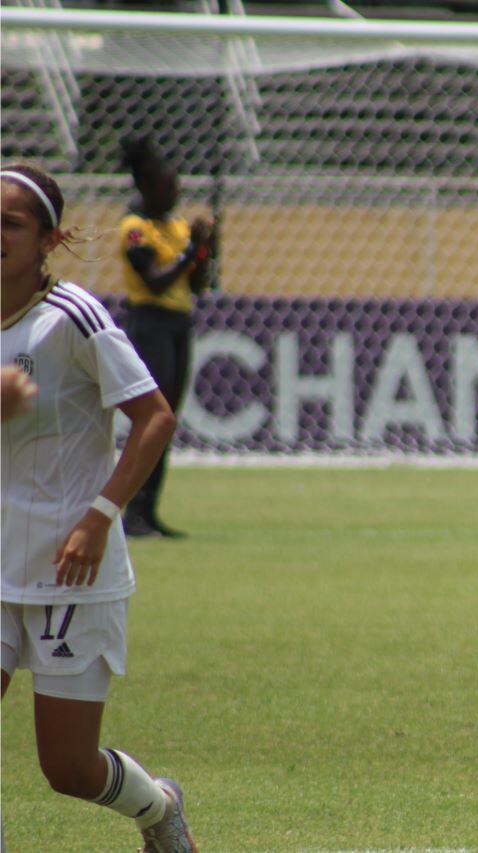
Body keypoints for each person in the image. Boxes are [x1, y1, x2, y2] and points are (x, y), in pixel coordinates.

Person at [1, 164, 197, 850]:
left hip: (69, 568)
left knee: (69, 768)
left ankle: (158, 806)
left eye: (11, 223)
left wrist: (98, 517)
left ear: (49, 238)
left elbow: (154, 418)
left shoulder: (74, 317)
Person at [118, 135, 215, 538]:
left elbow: (197, 285)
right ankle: (132, 512)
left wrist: (206, 247)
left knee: (166, 420)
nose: (175, 193)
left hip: (178, 323)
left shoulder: (176, 226)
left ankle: (148, 511)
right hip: (149, 322)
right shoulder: (134, 229)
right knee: (152, 418)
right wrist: (191, 250)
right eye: (167, 186)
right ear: (146, 186)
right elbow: (155, 283)